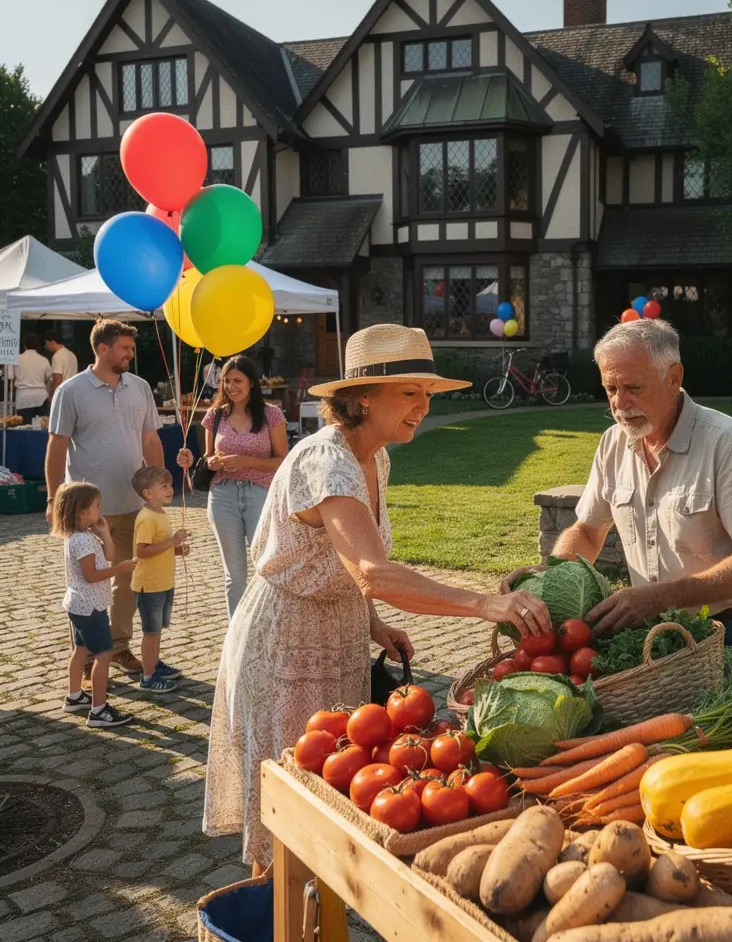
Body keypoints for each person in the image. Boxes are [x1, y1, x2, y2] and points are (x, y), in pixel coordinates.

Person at [197, 324, 550, 873]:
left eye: (427, 394)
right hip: (287, 641)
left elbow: (345, 564)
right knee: (291, 812)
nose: (423, 407)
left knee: (336, 795)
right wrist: (486, 604)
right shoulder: (326, 461)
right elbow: (371, 571)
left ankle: (318, 906)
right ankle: (276, 905)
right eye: (409, 393)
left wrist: (372, 624)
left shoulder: (375, 456)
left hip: (336, 636)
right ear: (362, 398)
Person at [503, 318, 732, 662]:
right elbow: (587, 531)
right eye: (610, 389)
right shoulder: (612, 443)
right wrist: (549, 577)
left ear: (674, 377)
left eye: (634, 388)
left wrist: (662, 597)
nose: (619, 404)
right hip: (654, 634)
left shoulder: (728, 443)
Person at [46, 320, 164, 681]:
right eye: (125, 347)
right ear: (102, 348)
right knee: (86, 584)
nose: (131, 353)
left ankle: (117, 646)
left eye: (131, 347)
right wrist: (52, 497)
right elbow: (57, 446)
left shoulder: (140, 387)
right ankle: (84, 654)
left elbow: (150, 440)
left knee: (128, 579)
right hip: (85, 511)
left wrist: (160, 489)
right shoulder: (71, 391)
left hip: (132, 504)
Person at [193, 355, 289, 616]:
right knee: (234, 574)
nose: (231, 386)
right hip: (223, 496)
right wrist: (212, 463)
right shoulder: (215, 415)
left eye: (238, 380)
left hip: (260, 494)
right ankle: (236, 632)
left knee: (265, 566)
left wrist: (247, 461)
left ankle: (265, 626)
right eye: (226, 381)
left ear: (251, 383)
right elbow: (207, 457)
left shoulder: (271, 414)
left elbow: (283, 461)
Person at [52, 481, 136, 729]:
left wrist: (105, 534)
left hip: (80, 605)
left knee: (81, 650)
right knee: (103, 655)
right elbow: (91, 575)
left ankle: (74, 696)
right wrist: (120, 569)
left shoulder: (82, 536)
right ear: (82, 511)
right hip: (90, 607)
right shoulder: (82, 541)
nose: (101, 509)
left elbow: (108, 555)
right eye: (97, 506)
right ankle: (99, 710)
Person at [131, 466, 190, 692]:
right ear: (148, 493)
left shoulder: (160, 513)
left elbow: (159, 547)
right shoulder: (147, 518)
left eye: (170, 484)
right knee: (151, 632)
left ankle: (154, 664)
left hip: (163, 582)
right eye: (163, 486)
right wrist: (172, 542)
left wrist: (176, 550)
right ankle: (147, 677)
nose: (170, 489)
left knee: (157, 629)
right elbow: (142, 551)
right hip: (149, 585)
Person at [14, 333, 51, 419]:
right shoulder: (44, 360)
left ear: (24, 345)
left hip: (23, 397)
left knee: (24, 425)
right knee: (41, 425)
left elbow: (10, 377)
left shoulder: (17, 359)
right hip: (41, 396)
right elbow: (49, 377)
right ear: (37, 345)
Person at [44, 330, 78, 397]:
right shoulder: (72, 355)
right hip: (72, 392)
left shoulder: (57, 356)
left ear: (53, 342)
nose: (46, 346)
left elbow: (57, 380)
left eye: (46, 343)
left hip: (61, 394)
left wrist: (52, 396)